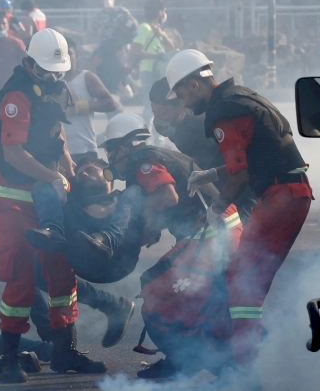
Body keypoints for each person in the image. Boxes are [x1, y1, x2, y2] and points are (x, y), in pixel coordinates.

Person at [166, 49, 313, 386]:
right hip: (288, 193)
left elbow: (242, 173)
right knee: (244, 279)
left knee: (242, 284)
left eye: (183, 94)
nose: (184, 105)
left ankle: (247, 373)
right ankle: (255, 360)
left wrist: (215, 211)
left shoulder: (224, 112)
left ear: (193, 83)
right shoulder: (240, 97)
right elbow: (255, 157)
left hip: (281, 196)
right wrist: (211, 174)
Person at [0, 108, 137, 349]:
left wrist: (69, 169)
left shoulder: (18, 144)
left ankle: (83, 323)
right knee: (25, 274)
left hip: (49, 217)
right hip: (25, 221)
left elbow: (57, 135)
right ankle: (61, 333)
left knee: (51, 277)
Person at [0, 28, 106, 383]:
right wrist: (51, 178)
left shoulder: (58, 86)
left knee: (61, 270)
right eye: (47, 71)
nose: (54, 77)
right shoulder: (16, 95)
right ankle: (10, 358)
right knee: (21, 275)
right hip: (12, 195)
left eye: (59, 71)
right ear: (29, 63)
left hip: (47, 191)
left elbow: (58, 132)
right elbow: (13, 152)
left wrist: (66, 165)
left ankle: (65, 351)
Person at [98, 112, 243, 379]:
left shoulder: (142, 161)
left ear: (124, 146)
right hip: (221, 228)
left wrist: (143, 222)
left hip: (211, 233)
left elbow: (167, 196)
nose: (110, 157)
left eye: (110, 149)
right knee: (206, 299)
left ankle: (186, 361)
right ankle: (218, 361)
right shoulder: (159, 153)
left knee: (155, 287)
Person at [149, 77, 256, 222]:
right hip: (218, 183)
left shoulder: (205, 125)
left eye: (162, 110)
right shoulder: (175, 125)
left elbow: (241, 168)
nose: (157, 117)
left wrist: (220, 205)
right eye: (154, 110)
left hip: (242, 187)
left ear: (182, 106)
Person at [61, 36, 122, 164]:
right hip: (57, 150)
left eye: (69, 53)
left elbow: (110, 104)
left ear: (77, 56)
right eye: (61, 54)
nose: (65, 57)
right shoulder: (48, 81)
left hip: (84, 148)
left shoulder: (86, 77)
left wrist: (79, 106)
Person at [131, 0, 174, 146]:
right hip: (149, 71)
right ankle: (146, 140)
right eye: (163, 10)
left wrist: (161, 34)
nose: (165, 13)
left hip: (158, 73)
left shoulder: (156, 29)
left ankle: (159, 141)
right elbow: (135, 50)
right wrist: (156, 56)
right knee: (150, 106)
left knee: (160, 105)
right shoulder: (145, 28)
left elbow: (172, 47)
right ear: (158, 12)